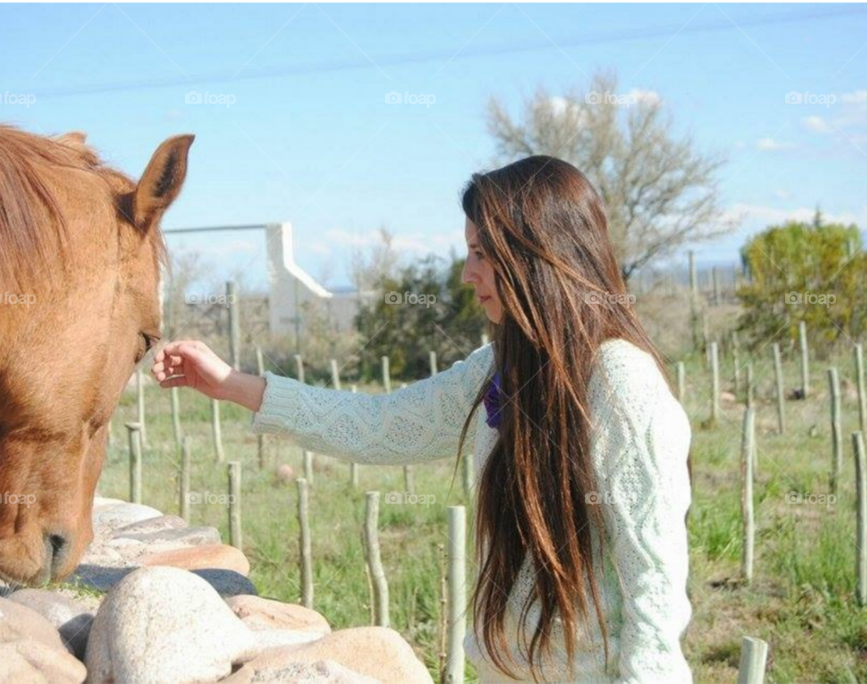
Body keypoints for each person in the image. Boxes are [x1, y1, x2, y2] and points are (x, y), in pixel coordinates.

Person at [152, 156, 693, 683]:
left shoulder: (621, 385)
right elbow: (381, 424)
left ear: (537, 256)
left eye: (482, 253)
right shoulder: (501, 369)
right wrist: (231, 385)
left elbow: (655, 585)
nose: (466, 273)